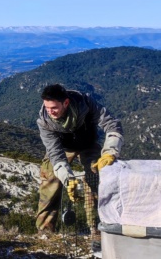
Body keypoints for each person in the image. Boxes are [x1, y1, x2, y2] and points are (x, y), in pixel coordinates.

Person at [35, 83, 123, 243]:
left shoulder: (86, 103)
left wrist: (110, 151)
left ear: (66, 103)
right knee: (50, 180)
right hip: (63, 148)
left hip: (88, 144)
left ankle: (96, 229)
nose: (49, 111)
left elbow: (112, 124)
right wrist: (67, 178)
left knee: (97, 177)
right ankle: (45, 232)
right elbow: (55, 153)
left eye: (53, 107)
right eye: (47, 107)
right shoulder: (44, 122)